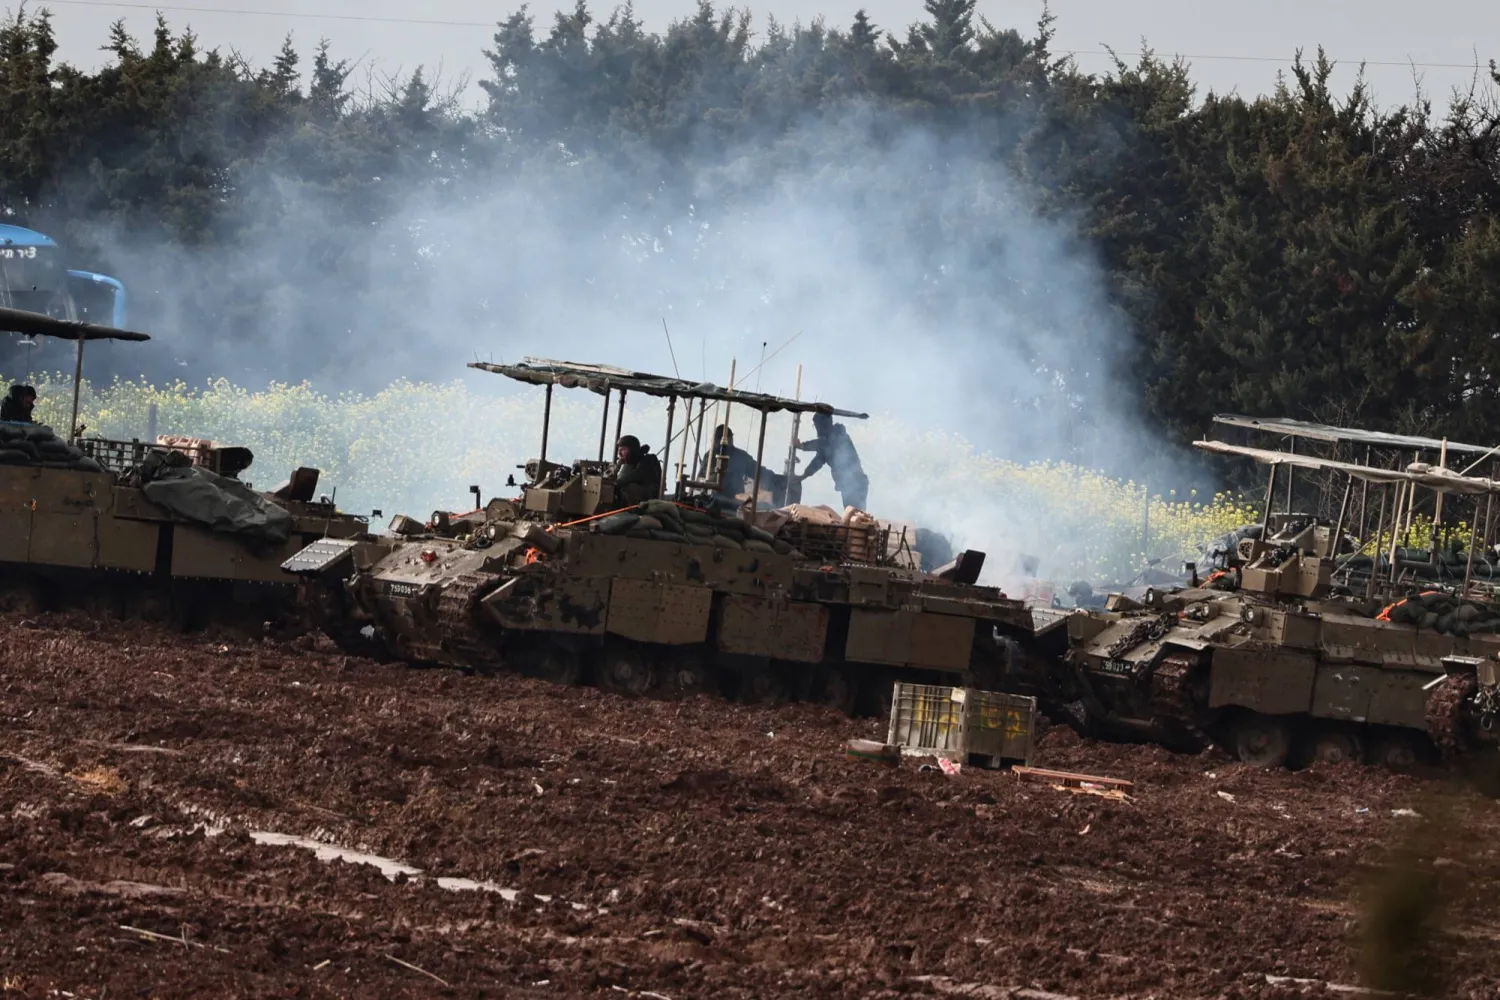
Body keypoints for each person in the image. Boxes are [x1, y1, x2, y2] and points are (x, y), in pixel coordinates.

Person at [797, 410, 869, 511]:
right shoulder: (826, 446)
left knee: (855, 516)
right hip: (848, 487)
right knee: (851, 514)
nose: (817, 429)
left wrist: (802, 446)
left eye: (817, 425)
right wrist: (802, 477)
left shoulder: (839, 436)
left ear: (824, 425)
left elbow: (823, 443)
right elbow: (816, 463)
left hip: (856, 484)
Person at [701, 424, 786, 509]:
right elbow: (700, 479)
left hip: (735, 504)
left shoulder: (740, 457)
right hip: (711, 502)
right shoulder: (708, 457)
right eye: (718, 438)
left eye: (728, 438)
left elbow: (759, 472)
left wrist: (779, 480)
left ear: (730, 439)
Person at [612, 434, 662, 505]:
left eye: (623, 449)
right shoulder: (623, 462)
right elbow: (613, 475)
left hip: (647, 499)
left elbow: (637, 475)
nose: (619, 453)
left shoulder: (647, 460)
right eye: (619, 450)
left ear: (633, 450)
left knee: (629, 486)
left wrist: (616, 483)